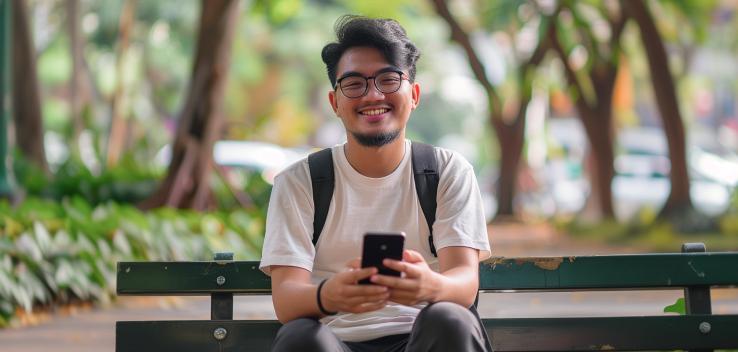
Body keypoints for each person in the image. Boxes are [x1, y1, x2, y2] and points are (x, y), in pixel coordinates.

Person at [260, 15, 492, 352]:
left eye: (388, 79)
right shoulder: (300, 182)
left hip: (423, 339)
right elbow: (286, 300)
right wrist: (329, 294)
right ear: (335, 102)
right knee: (300, 338)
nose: (372, 95)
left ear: (413, 95)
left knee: (450, 319)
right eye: (354, 84)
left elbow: (464, 281)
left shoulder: (447, 171)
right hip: (336, 342)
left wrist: (430, 286)